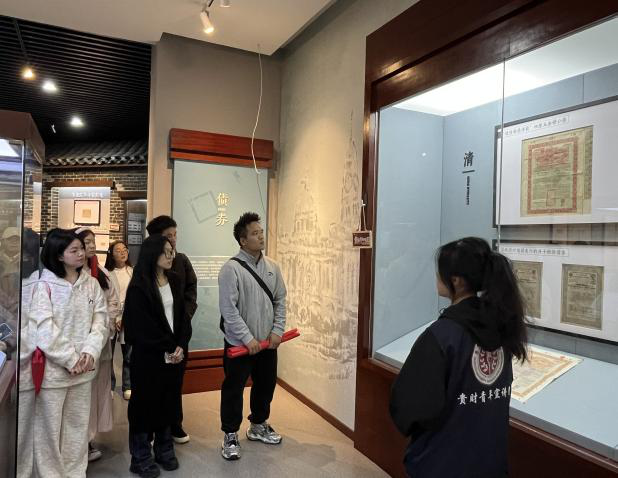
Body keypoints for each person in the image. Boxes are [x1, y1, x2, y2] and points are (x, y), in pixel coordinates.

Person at [389, 237, 528, 478]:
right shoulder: (502, 327)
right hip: (489, 461)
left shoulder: (442, 336)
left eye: (440, 271)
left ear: (456, 281)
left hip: (442, 463)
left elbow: (409, 407)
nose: (436, 276)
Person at [20, 228, 107, 478]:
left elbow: (100, 321)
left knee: (77, 428)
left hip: (84, 371)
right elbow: (43, 327)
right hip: (54, 374)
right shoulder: (42, 284)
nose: (81, 253)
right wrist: (70, 358)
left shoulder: (91, 284)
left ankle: (75, 472)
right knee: (49, 430)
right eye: (74, 250)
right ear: (59, 255)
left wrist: (90, 351)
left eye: (82, 249)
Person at [218, 212, 287, 461]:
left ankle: (258, 424)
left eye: (261, 232)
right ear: (243, 240)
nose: (261, 237)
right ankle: (230, 434)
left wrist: (277, 330)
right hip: (240, 345)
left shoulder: (273, 267)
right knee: (233, 389)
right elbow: (229, 310)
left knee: (266, 385)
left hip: (267, 344)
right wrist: (247, 338)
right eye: (255, 233)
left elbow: (280, 300)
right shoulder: (231, 269)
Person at [123, 234, 190, 478]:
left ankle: (164, 449)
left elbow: (183, 317)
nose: (171, 256)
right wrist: (168, 347)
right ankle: (140, 456)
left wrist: (180, 344)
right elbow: (140, 326)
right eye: (166, 252)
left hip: (174, 355)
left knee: (168, 401)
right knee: (144, 405)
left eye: (172, 251)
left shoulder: (174, 280)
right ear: (153, 254)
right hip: (149, 356)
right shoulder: (139, 285)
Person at [145, 215, 196, 444]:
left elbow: (191, 291)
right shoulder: (146, 267)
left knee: (176, 381)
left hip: (180, 332)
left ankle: (175, 424)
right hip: (156, 338)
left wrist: (185, 316)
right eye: (168, 236)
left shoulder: (182, 260)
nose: (173, 240)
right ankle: (152, 428)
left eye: (175, 235)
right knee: (154, 383)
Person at [75, 228, 121, 463]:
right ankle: (77, 442)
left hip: (100, 342)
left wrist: (104, 326)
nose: (91, 246)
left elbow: (113, 302)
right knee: (79, 395)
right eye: (87, 242)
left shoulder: (101, 273)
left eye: (93, 242)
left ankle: (89, 439)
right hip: (77, 347)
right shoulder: (70, 273)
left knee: (95, 393)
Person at [105, 239, 134, 400]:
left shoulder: (133, 272)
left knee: (128, 354)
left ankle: (128, 385)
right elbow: (106, 298)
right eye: (118, 250)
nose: (122, 252)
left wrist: (124, 317)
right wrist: (115, 316)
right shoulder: (107, 273)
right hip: (111, 316)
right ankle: (109, 385)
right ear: (111, 254)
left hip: (128, 317)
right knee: (108, 354)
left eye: (124, 249)